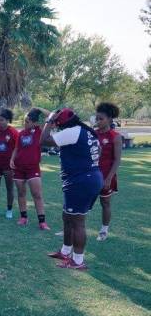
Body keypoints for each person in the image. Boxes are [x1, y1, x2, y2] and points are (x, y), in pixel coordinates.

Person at [42, 108, 102, 270]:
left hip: (81, 181)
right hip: (88, 178)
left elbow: (44, 139)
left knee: (77, 221)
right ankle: (65, 251)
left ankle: (78, 261)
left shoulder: (73, 132)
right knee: (67, 216)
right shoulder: (85, 131)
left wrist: (49, 120)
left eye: (58, 124)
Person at [10, 108, 50, 230]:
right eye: (24, 121)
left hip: (33, 168)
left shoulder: (39, 131)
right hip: (19, 168)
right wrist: (12, 159)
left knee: (37, 194)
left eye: (27, 121)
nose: (25, 123)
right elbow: (17, 149)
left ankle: (42, 222)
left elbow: (51, 116)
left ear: (35, 123)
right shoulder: (21, 133)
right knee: (21, 193)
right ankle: (23, 217)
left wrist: (38, 109)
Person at [94, 102, 122, 241]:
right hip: (91, 175)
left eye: (101, 119)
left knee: (105, 203)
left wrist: (109, 178)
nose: (98, 121)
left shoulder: (115, 136)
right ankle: (72, 227)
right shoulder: (93, 134)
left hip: (106, 175)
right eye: (96, 118)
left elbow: (117, 160)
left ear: (110, 119)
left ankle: (104, 230)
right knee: (82, 202)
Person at [0, 109, 19, 218]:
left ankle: (9, 210)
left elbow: (17, 148)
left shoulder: (13, 132)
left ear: (7, 120)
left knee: (9, 187)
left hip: (8, 164)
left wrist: (13, 161)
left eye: (2, 120)